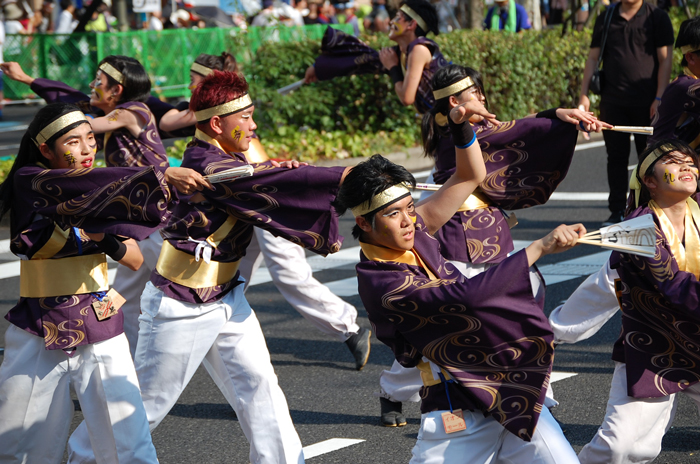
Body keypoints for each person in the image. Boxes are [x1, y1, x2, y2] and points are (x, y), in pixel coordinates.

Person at [67, 70, 354, 464]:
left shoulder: (229, 159)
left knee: (260, 386)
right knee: (147, 403)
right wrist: (345, 175)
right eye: (246, 117)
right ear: (217, 123)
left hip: (227, 296)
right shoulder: (207, 164)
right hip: (181, 303)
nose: (254, 125)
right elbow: (245, 180)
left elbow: (257, 178)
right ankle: (81, 455)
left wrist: (281, 171)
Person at [333, 97, 584, 463]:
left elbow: (470, 175)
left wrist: (459, 125)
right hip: (458, 408)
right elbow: (466, 299)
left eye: (408, 208)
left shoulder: (414, 230)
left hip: (511, 389)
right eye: (393, 214)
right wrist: (538, 248)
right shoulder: (381, 283)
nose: (408, 221)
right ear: (363, 223)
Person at [376, 64, 607, 427]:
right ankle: (393, 388)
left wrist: (559, 118)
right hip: (456, 238)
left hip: (493, 232)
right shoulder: (450, 130)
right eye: (474, 93)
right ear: (453, 102)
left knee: (522, 309)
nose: (482, 98)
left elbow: (508, 133)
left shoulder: (481, 127)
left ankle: (537, 390)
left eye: (481, 92)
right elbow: (502, 139)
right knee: (449, 327)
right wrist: (554, 119)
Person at [160, 53, 373, 370]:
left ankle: (349, 328)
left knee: (289, 274)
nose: (190, 85)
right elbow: (168, 121)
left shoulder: (219, 120)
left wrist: (342, 175)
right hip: (240, 206)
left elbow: (169, 122)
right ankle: (220, 344)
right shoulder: (212, 124)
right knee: (233, 271)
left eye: (196, 80)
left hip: (261, 203)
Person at [0, 102, 175, 463]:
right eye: (73, 142)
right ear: (45, 149)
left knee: (129, 441)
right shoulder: (32, 181)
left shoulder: (97, 190)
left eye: (91, 140)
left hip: (100, 323)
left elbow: (135, 258)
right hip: (37, 329)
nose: (86, 150)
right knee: (18, 445)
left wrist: (101, 236)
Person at [549, 15, 700, 350]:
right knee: (623, 271)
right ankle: (552, 333)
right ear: (691, 57)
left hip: (691, 192)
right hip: (660, 188)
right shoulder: (684, 87)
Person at [565, 139, 700, 463]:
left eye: (689, 161)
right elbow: (671, 283)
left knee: (643, 447)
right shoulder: (637, 229)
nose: (686, 166)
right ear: (650, 182)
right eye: (672, 162)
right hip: (655, 348)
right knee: (621, 447)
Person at [578, 0, 674, 226]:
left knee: (650, 160)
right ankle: (617, 211)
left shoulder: (657, 17)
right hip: (612, 101)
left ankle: (649, 209)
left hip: (648, 102)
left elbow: (665, 59)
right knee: (616, 158)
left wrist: (660, 97)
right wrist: (583, 95)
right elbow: (593, 58)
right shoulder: (607, 17)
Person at [305, 0, 445, 115]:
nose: (391, 22)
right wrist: (318, 68)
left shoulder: (419, 49)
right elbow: (362, 59)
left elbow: (407, 98)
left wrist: (393, 68)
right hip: (441, 128)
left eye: (397, 17)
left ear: (411, 24)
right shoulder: (401, 53)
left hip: (452, 126)